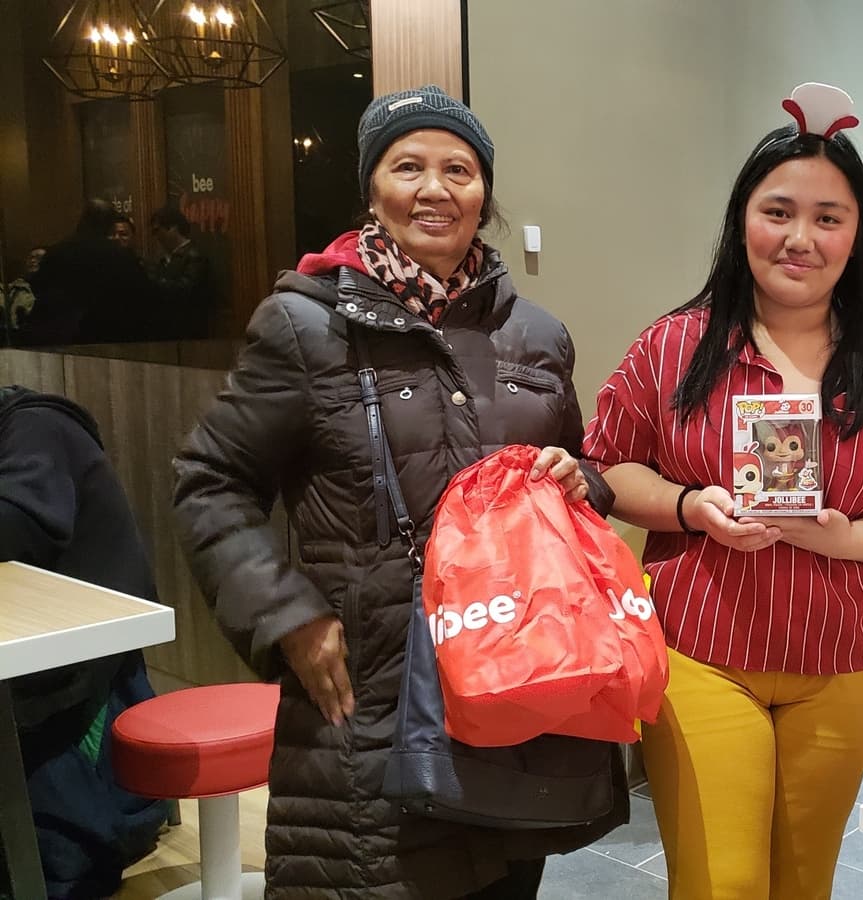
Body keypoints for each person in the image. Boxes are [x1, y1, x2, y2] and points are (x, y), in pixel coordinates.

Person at [172, 84, 626, 898]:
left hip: (508, 690)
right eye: (407, 165)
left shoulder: (536, 334)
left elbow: (573, 467)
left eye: (458, 168)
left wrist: (579, 480)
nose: (434, 188)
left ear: (484, 193)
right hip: (368, 700)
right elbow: (211, 481)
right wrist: (288, 619)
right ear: (372, 189)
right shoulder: (305, 326)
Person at [583, 83, 863, 900]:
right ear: (741, 220)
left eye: (829, 218)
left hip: (839, 661)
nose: (801, 238)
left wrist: (846, 539)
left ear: (856, 236)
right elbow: (610, 467)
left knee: (805, 885)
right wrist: (692, 507)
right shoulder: (675, 346)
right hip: (701, 651)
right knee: (721, 885)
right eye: (778, 211)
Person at [0, 385, 169, 898]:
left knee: (57, 861)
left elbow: (18, 527)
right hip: (37, 655)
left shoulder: (35, 428)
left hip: (81, 671)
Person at [26, 200, 158, 345]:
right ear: (109, 225)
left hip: (64, 337)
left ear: (82, 220)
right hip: (114, 335)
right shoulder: (120, 255)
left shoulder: (57, 252)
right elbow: (142, 294)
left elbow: (39, 291)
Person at [149, 205, 216, 339]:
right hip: (170, 329)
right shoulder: (166, 258)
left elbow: (186, 289)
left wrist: (152, 283)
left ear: (173, 228)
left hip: (188, 331)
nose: (156, 236)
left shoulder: (195, 257)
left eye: (158, 230)